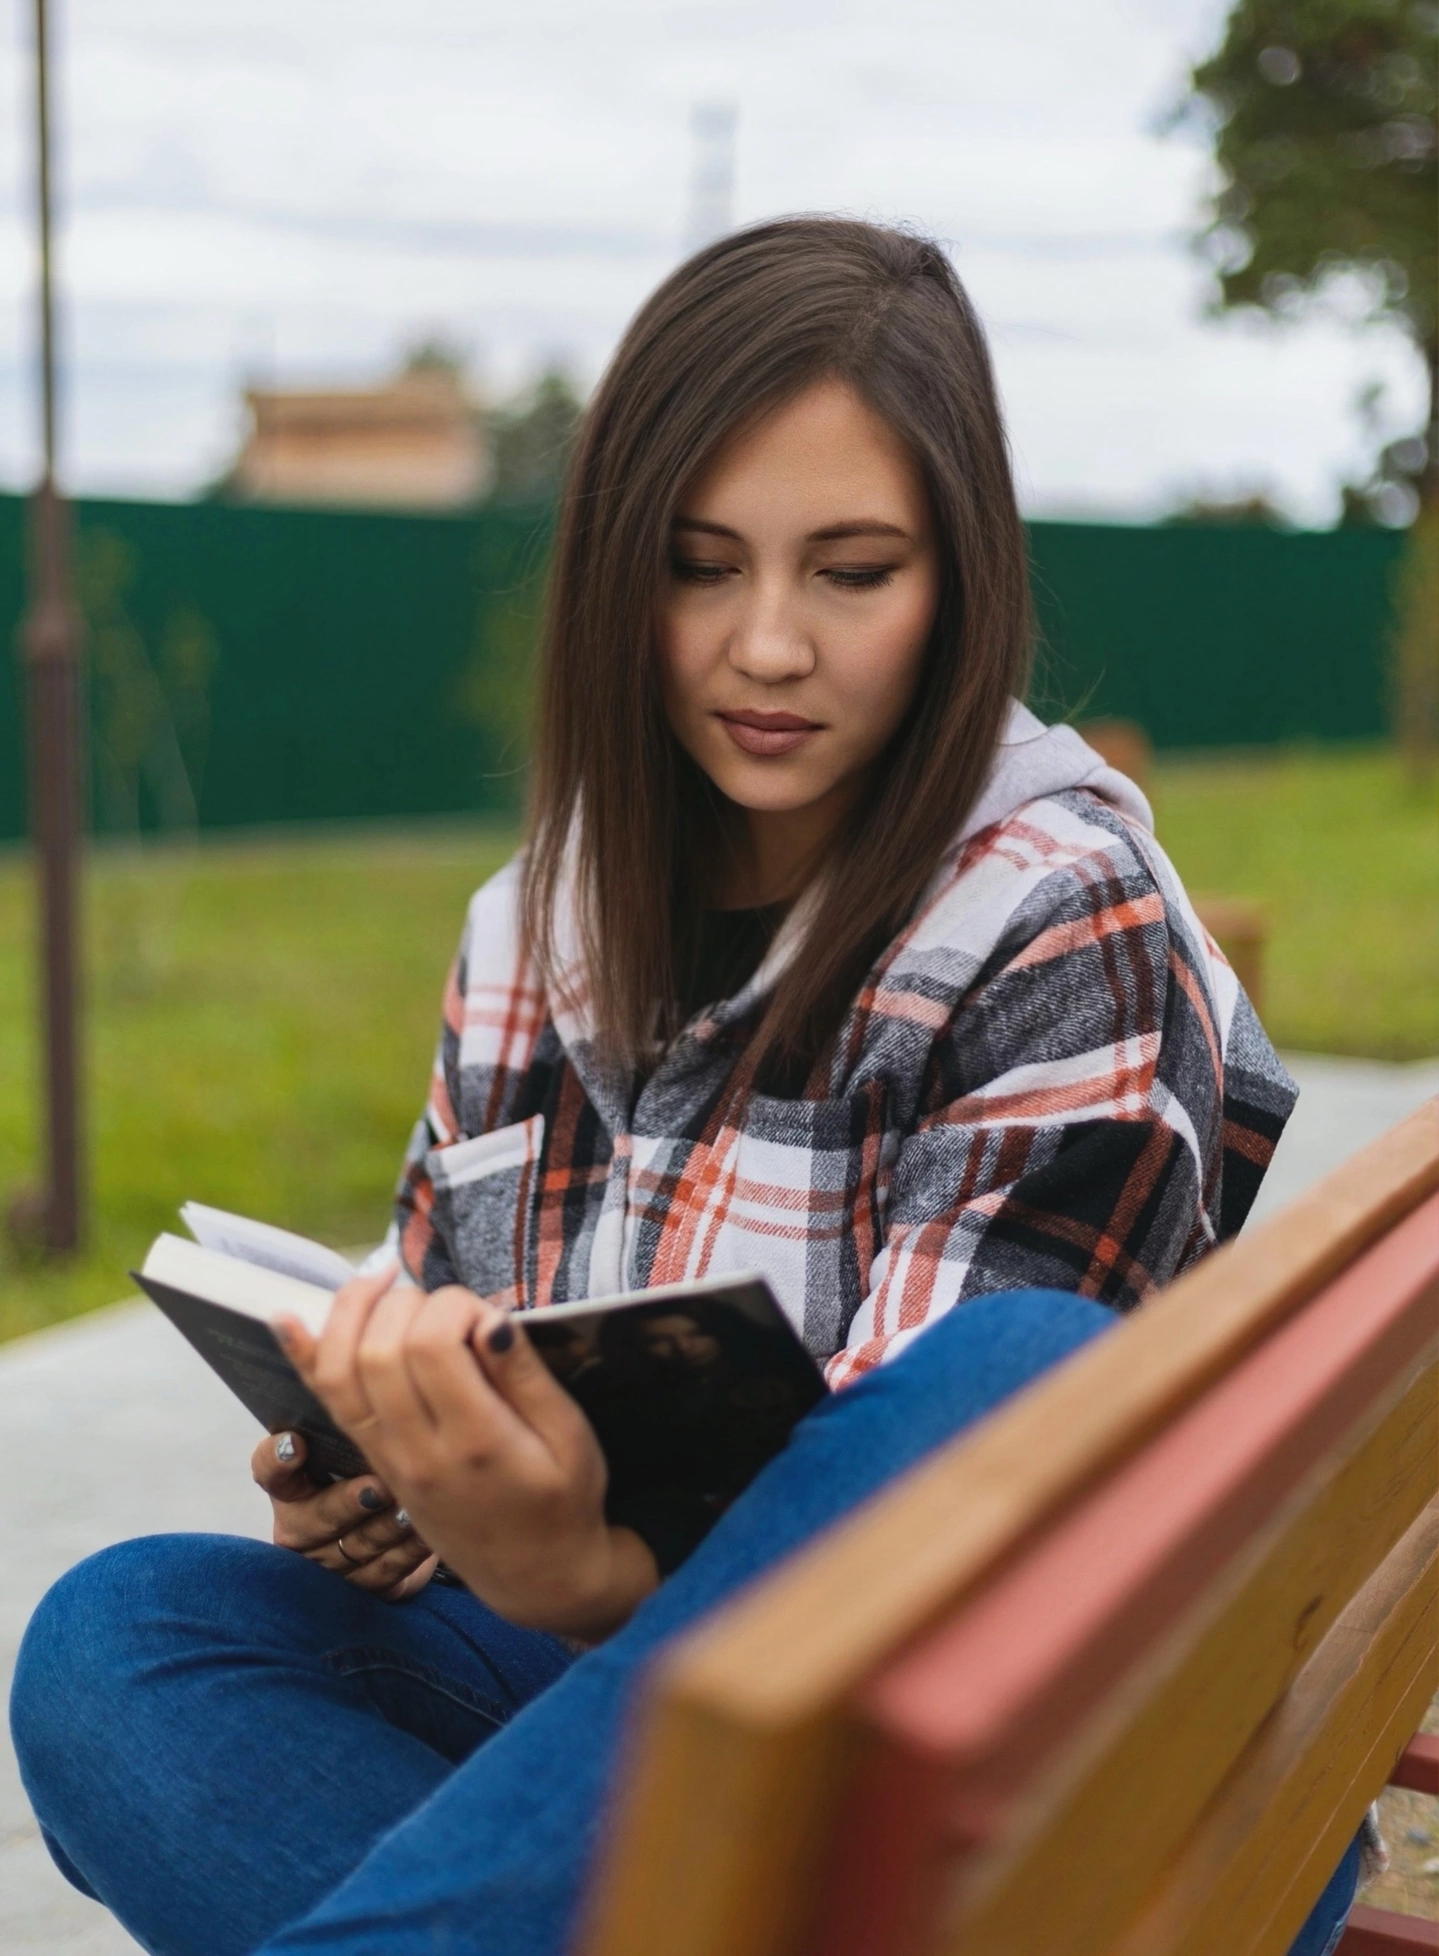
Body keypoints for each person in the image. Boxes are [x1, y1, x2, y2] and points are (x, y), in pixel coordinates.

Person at [11, 220, 1358, 1956]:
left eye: (850, 571)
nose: (767, 647)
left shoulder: (1053, 911)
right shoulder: (535, 926)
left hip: (1024, 1778)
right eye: (700, 565)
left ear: (960, 584)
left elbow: (948, 1588)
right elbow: (469, 1333)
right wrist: (396, 1466)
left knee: (1013, 1371)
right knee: (123, 1642)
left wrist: (580, 1575)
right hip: (621, 1742)